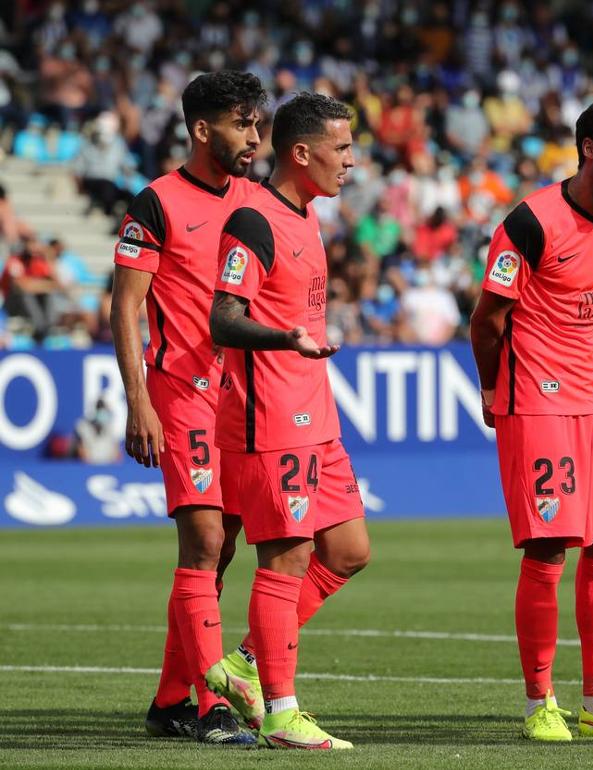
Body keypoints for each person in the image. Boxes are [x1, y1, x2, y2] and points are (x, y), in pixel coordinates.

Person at [468, 100, 593, 742]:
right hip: (537, 400)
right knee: (551, 548)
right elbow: (488, 319)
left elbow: (579, 304)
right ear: (589, 147)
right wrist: (492, 385)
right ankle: (539, 703)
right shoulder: (531, 221)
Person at [206, 92, 370, 750]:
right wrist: (284, 339)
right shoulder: (253, 219)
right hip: (268, 414)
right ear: (301, 153)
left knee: (350, 551)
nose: (351, 162)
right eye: (342, 149)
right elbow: (223, 318)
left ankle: (245, 662)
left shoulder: (308, 216)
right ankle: (280, 710)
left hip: (316, 413)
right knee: (289, 556)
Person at [110, 70, 265, 746]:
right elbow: (125, 306)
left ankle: (171, 699)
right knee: (203, 541)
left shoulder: (259, 202)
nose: (255, 137)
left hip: (243, 399)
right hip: (180, 392)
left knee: (223, 547)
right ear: (203, 129)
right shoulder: (156, 203)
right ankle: (213, 706)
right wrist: (137, 400)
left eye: (257, 124)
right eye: (241, 123)